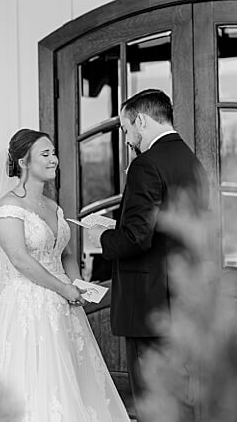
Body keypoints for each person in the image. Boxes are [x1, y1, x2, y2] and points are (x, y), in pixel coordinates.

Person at [0, 128, 129, 421]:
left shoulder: (53, 207)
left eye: (54, 153)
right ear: (23, 162)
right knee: (37, 381)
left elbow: (66, 253)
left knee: (73, 381)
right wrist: (63, 287)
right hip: (28, 306)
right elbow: (20, 259)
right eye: (45, 154)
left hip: (63, 305)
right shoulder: (9, 207)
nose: (54, 159)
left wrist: (77, 284)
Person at [85, 89, 208, 420]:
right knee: (178, 395)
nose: (128, 139)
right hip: (182, 296)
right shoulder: (191, 161)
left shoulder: (146, 165)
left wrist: (104, 236)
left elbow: (137, 237)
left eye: (127, 129)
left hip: (150, 302)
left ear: (141, 120)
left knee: (153, 401)